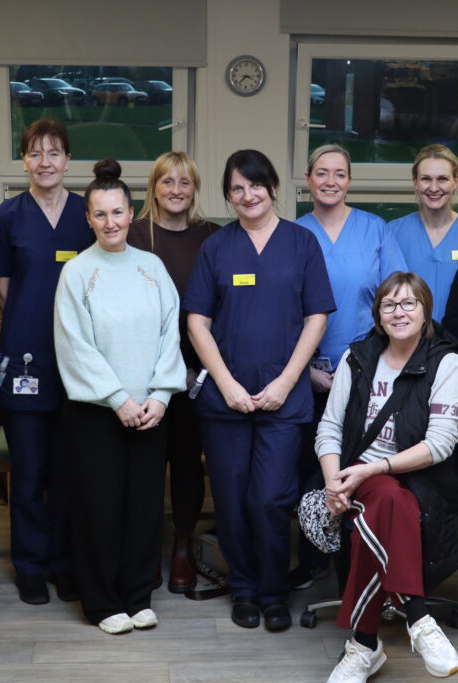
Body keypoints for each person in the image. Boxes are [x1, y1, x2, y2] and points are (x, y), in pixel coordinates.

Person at [183, 149, 335, 632]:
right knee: (230, 498)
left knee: (270, 499)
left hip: (283, 399)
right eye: (236, 188)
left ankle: (273, 591)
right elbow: (197, 322)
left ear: (272, 188)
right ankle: (244, 590)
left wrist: (288, 381)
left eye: (255, 185)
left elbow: (316, 317)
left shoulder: (302, 243)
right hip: (225, 403)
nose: (247, 195)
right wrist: (225, 384)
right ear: (228, 196)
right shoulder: (217, 247)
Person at [55, 159, 186, 634]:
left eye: (118, 212)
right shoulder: (76, 273)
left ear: (132, 213)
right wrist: (118, 399)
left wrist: (161, 395)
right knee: (100, 508)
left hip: (151, 410)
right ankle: (102, 602)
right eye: (100, 214)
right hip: (97, 414)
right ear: (88, 219)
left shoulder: (151, 267)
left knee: (144, 506)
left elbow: (171, 333)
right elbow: (75, 345)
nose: (110, 222)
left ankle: (136, 595)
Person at [316, 272, 458, 681]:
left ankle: (364, 646)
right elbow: (329, 428)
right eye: (389, 305)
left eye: (408, 304)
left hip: (421, 480)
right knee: (385, 498)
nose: (399, 312)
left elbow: (441, 443)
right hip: (356, 474)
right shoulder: (357, 358)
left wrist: (376, 467)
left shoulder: (447, 362)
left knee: (387, 504)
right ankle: (420, 622)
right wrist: (334, 481)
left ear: (425, 311)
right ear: (378, 315)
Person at [0, 119, 94, 605]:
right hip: (26, 357)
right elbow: (5, 289)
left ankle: (65, 562)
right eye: (34, 153)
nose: (44, 162)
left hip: (77, 360)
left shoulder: (86, 216)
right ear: (23, 161)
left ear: (68, 160)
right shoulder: (7, 217)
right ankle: (29, 564)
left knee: (70, 472)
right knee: (27, 472)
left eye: (54, 153)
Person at [291, 144, 408, 590]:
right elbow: (286, 312)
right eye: (322, 173)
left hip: (366, 372)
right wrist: (307, 373)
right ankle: (312, 557)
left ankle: (358, 564)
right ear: (308, 178)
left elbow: (395, 300)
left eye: (340, 174)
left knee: (360, 468)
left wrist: (369, 366)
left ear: (349, 181)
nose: (331, 181)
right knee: (310, 468)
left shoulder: (374, 229)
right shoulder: (294, 233)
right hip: (310, 372)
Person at [127, 151, 219, 593]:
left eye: (184, 182)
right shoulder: (131, 235)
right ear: (154, 187)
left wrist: (199, 369)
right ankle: (143, 550)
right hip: (143, 373)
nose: (176, 190)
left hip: (196, 374)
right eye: (167, 182)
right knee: (145, 463)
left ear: (194, 188)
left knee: (185, 462)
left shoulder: (213, 237)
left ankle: (183, 545)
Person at [382, 144, 458, 321]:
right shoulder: (393, 232)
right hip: (407, 340)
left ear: (456, 181)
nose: (433, 188)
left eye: (442, 179)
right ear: (415, 182)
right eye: (426, 179)